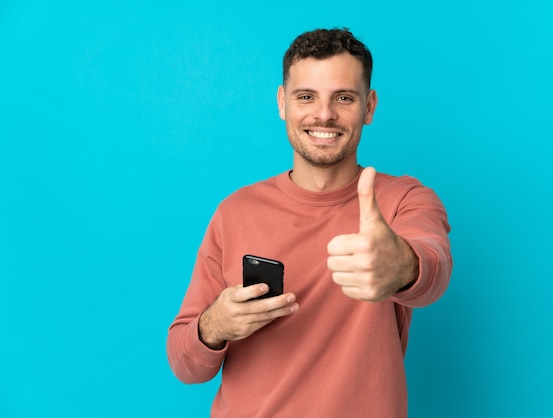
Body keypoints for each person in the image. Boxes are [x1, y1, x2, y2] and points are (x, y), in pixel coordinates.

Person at [167, 28, 452, 417]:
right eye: (306, 97)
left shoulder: (403, 200)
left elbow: (432, 268)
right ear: (282, 102)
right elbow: (185, 366)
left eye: (344, 98)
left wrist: (400, 265)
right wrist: (214, 325)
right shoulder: (234, 211)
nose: (323, 114)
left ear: (369, 107)